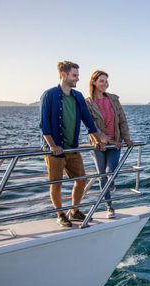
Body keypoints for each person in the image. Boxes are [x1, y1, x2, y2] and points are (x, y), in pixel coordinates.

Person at [40, 61, 101, 227]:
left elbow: (88, 120)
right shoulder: (49, 95)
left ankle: (74, 211)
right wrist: (52, 145)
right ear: (63, 75)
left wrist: (97, 139)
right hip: (55, 150)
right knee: (56, 183)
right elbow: (44, 125)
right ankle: (60, 214)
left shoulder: (78, 96)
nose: (78, 79)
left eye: (78, 75)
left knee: (81, 180)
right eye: (75, 75)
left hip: (72, 148)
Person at [85, 70, 133, 219]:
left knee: (110, 171)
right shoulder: (88, 102)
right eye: (101, 81)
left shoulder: (113, 99)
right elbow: (91, 125)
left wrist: (127, 138)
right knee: (102, 176)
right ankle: (109, 206)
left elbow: (122, 120)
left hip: (116, 142)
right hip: (99, 144)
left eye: (106, 81)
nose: (105, 84)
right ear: (93, 82)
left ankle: (111, 183)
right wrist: (104, 139)